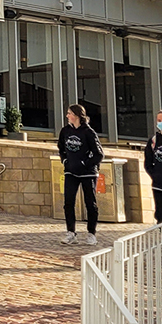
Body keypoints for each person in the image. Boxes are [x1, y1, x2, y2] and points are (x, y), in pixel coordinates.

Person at [58, 103, 103, 245]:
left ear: (77, 115)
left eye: (69, 113)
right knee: (68, 202)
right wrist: (65, 161)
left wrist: (86, 164)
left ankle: (91, 233)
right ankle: (71, 232)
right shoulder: (65, 131)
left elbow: (99, 154)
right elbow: (61, 148)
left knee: (90, 203)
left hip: (87, 174)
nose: (67, 116)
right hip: (71, 172)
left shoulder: (88, 132)